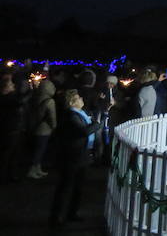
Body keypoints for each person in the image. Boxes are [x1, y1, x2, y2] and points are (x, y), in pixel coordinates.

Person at [48, 89, 101, 229]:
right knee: (66, 187)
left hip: (81, 154)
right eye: (78, 98)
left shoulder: (80, 114)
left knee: (78, 187)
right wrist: (96, 125)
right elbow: (83, 131)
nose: (81, 99)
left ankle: (72, 212)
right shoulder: (71, 116)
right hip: (72, 156)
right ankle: (57, 216)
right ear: (72, 102)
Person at [0, 74, 31, 181]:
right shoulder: (5, 98)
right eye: (11, 84)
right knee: (7, 154)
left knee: (14, 154)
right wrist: (31, 91)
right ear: (5, 87)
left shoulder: (10, 97)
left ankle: (11, 175)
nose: (13, 86)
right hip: (9, 129)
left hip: (15, 128)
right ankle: (3, 176)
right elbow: (19, 102)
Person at [28, 77, 57, 179]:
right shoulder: (50, 101)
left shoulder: (36, 97)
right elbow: (52, 116)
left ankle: (37, 168)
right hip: (45, 129)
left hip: (35, 126)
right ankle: (32, 170)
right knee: (40, 150)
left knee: (37, 149)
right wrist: (54, 126)